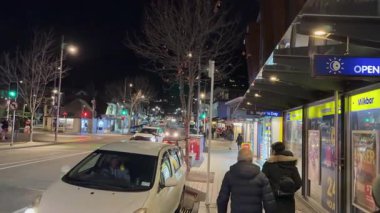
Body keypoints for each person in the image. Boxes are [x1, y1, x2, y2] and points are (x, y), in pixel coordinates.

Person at [217, 148, 276, 213]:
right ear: (251, 159)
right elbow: (269, 202)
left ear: (238, 158)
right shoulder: (261, 177)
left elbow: (222, 200)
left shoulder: (229, 175)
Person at [262, 142, 302, 213]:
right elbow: (298, 183)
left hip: (272, 200)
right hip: (289, 201)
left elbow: (263, 181)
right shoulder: (291, 164)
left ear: (274, 151)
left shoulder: (268, 164)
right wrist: (289, 190)